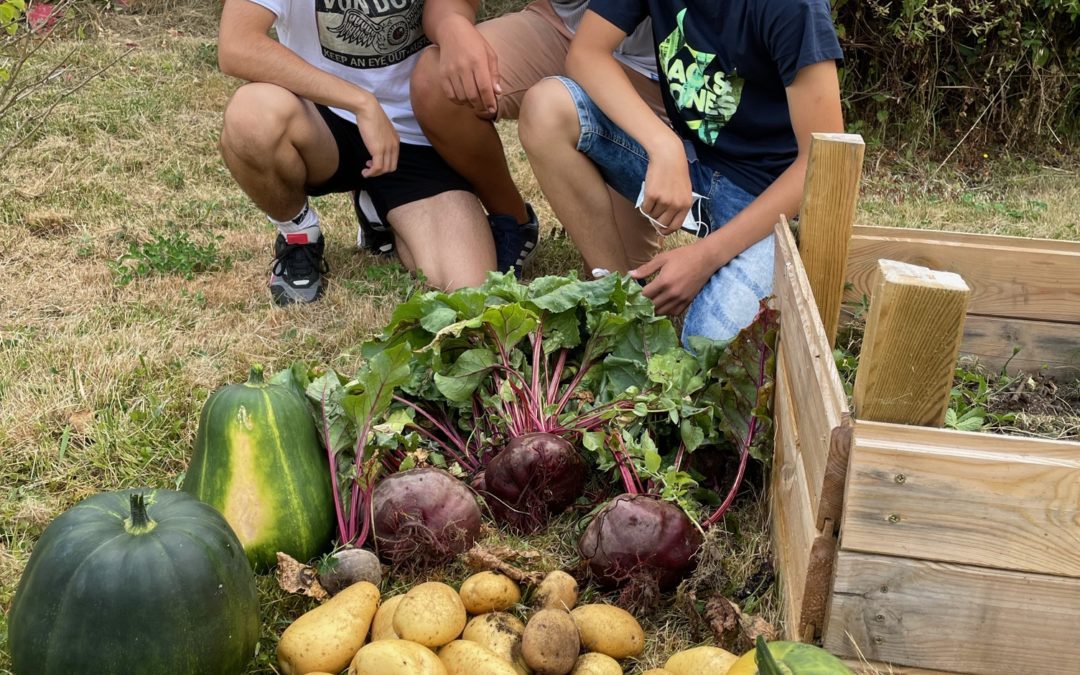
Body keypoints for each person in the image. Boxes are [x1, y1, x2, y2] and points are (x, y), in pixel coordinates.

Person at [517, 0, 845, 342]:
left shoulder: (794, 8)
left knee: (708, 343)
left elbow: (822, 163)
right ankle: (615, 304)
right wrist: (664, 145)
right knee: (547, 109)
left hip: (770, 207)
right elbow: (586, 53)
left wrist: (706, 257)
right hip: (693, 170)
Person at [217, 0, 495, 305]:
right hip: (321, 120)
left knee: (470, 293)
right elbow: (236, 45)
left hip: (415, 131)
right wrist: (360, 103)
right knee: (251, 116)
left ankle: (378, 210)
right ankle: (298, 233)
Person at [410, 0, 666, 276]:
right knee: (437, 81)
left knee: (617, 274)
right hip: (564, 31)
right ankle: (513, 222)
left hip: (656, 73)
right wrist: (453, 28)